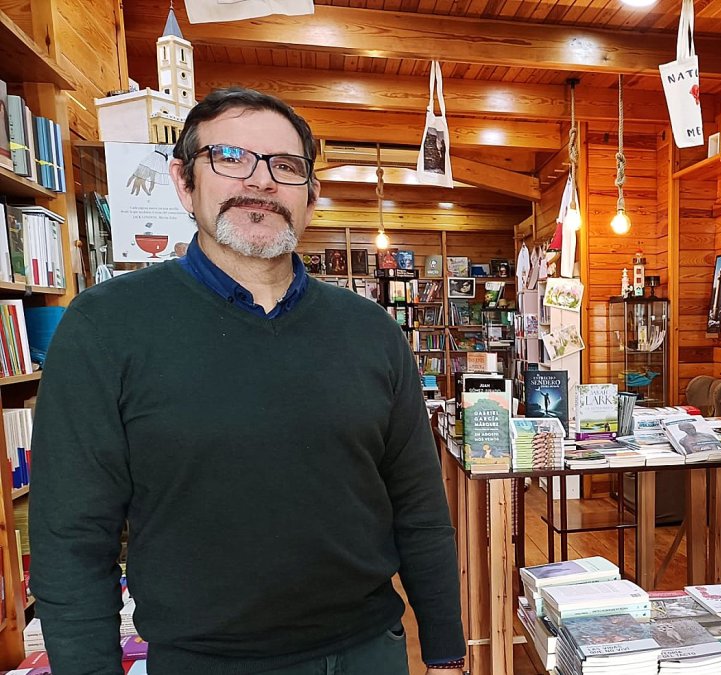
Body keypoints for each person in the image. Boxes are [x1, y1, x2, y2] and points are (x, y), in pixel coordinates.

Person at [30, 87, 465, 675]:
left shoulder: (371, 331)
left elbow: (418, 508)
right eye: (230, 157)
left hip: (367, 652)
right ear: (184, 182)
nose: (260, 182)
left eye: (285, 166)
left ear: (311, 196)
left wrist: (443, 653)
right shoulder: (105, 328)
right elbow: (73, 538)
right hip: (203, 662)